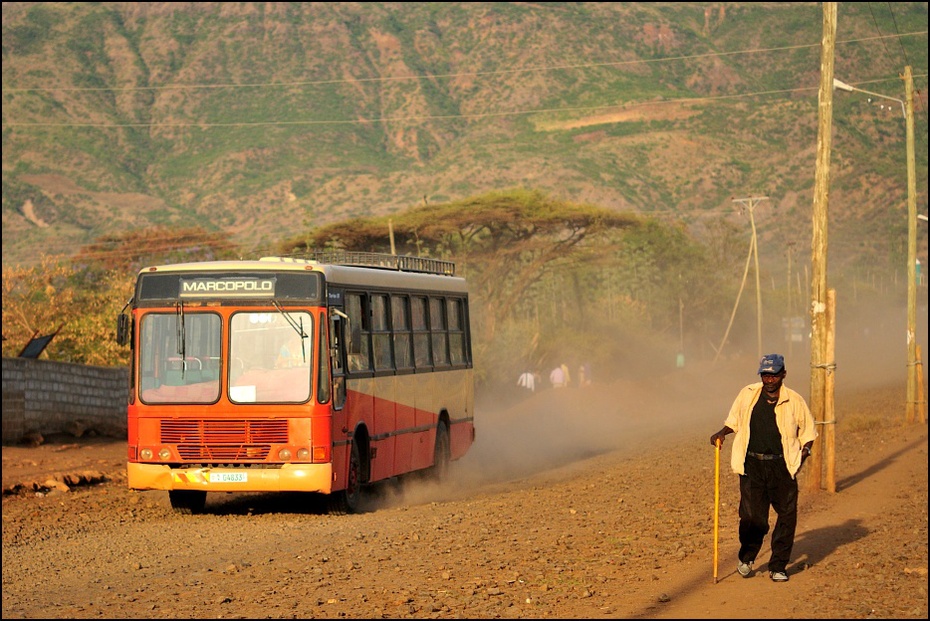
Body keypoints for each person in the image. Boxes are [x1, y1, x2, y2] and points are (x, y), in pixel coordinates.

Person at [709, 353, 817, 583]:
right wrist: (722, 433)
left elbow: (808, 431)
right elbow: (733, 421)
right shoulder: (748, 394)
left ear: (783, 375)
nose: (769, 380)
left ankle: (778, 565)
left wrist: (803, 454)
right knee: (752, 517)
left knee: (787, 517)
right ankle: (747, 557)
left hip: (782, 465)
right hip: (752, 465)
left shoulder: (794, 400)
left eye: (774, 375)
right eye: (765, 375)